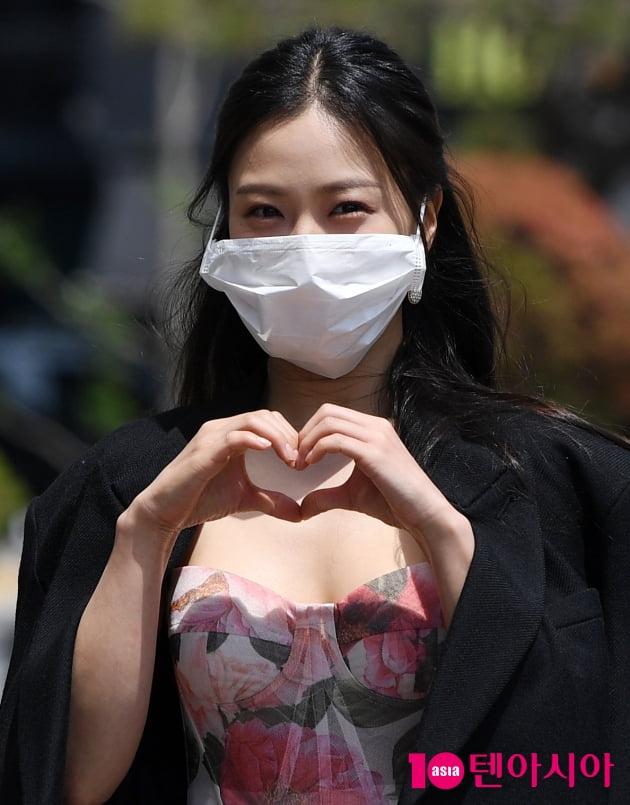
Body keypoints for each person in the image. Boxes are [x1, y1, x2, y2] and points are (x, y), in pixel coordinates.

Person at [1, 25, 629, 805]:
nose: (303, 245)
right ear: (225, 229)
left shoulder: (563, 487)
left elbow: (574, 767)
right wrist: (144, 534)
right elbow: (64, 780)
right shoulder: (127, 487)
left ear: (426, 217)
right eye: (265, 211)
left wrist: (447, 532)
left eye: (346, 208)